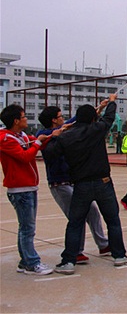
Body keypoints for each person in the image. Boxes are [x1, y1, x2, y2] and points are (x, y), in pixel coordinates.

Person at [44, 94, 127, 275]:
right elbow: (109, 118)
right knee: (112, 220)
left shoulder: (66, 137)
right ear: (92, 118)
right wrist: (112, 102)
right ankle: (119, 255)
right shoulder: (96, 129)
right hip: (103, 183)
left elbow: (49, 154)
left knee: (75, 223)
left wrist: (54, 136)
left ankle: (68, 262)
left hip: (80, 185)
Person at [37, 106, 110, 263]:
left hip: (71, 181)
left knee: (92, 211)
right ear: (53, 120)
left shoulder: (65, 131)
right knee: (76, 216)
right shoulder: (43, 135)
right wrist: (59, 132)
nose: (63, 118)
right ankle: (76, 251)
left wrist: (99, 108)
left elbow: (75, 121)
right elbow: (47, 138)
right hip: (58, 184)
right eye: (60, 116)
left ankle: (103, 245)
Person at [0, 104, 59, 275]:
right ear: (16, 120)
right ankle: (31, 263)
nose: (26, 119)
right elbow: (25, 157)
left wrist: (51, 135)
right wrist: (39, 141)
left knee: (26, 228)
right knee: (27, 228)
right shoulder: (6, 139)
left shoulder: (21, 135)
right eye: (24, 116)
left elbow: (39, 140)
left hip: (29, 187)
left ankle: (25, 261)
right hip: (20, 190)